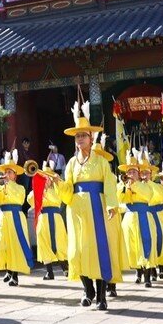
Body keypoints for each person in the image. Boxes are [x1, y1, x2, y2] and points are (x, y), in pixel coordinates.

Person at [56, 103, 121, 310]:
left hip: (97, 208)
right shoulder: (71, 164)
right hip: (76, 211)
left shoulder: (101, 162)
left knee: (99, 249)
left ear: (91, 138)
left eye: (83, 135)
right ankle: (87, 290)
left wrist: (111, 204)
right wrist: (57, 183)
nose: (80, 139)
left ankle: (102, 296)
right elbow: (68, 191)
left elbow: (109, 183)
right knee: (78, 250)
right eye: (77, 137)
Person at [0, 151, 33, 286]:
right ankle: (8, 269)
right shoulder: (1, 187)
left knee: (15, 245)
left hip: (16, 217)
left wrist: (6, 184)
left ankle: (15, 275)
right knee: (2, 245)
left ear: (15, 176)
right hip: (4, 217)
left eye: (10, 172)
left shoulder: (20, 188)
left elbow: (19, 199)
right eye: (6, 172)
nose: (7, 174)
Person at [33, 164, 68, 280]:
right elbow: (30, 200)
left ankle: (65, 268)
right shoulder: (38, 191)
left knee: (60, 241)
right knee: (44, 243)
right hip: (43, 218)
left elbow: (61, 199)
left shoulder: (57, 190)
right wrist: (40, 190)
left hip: (56, 217)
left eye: (48, 178)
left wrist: (57, 182)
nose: (46, 180)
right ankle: (49, 272)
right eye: (44, 178)